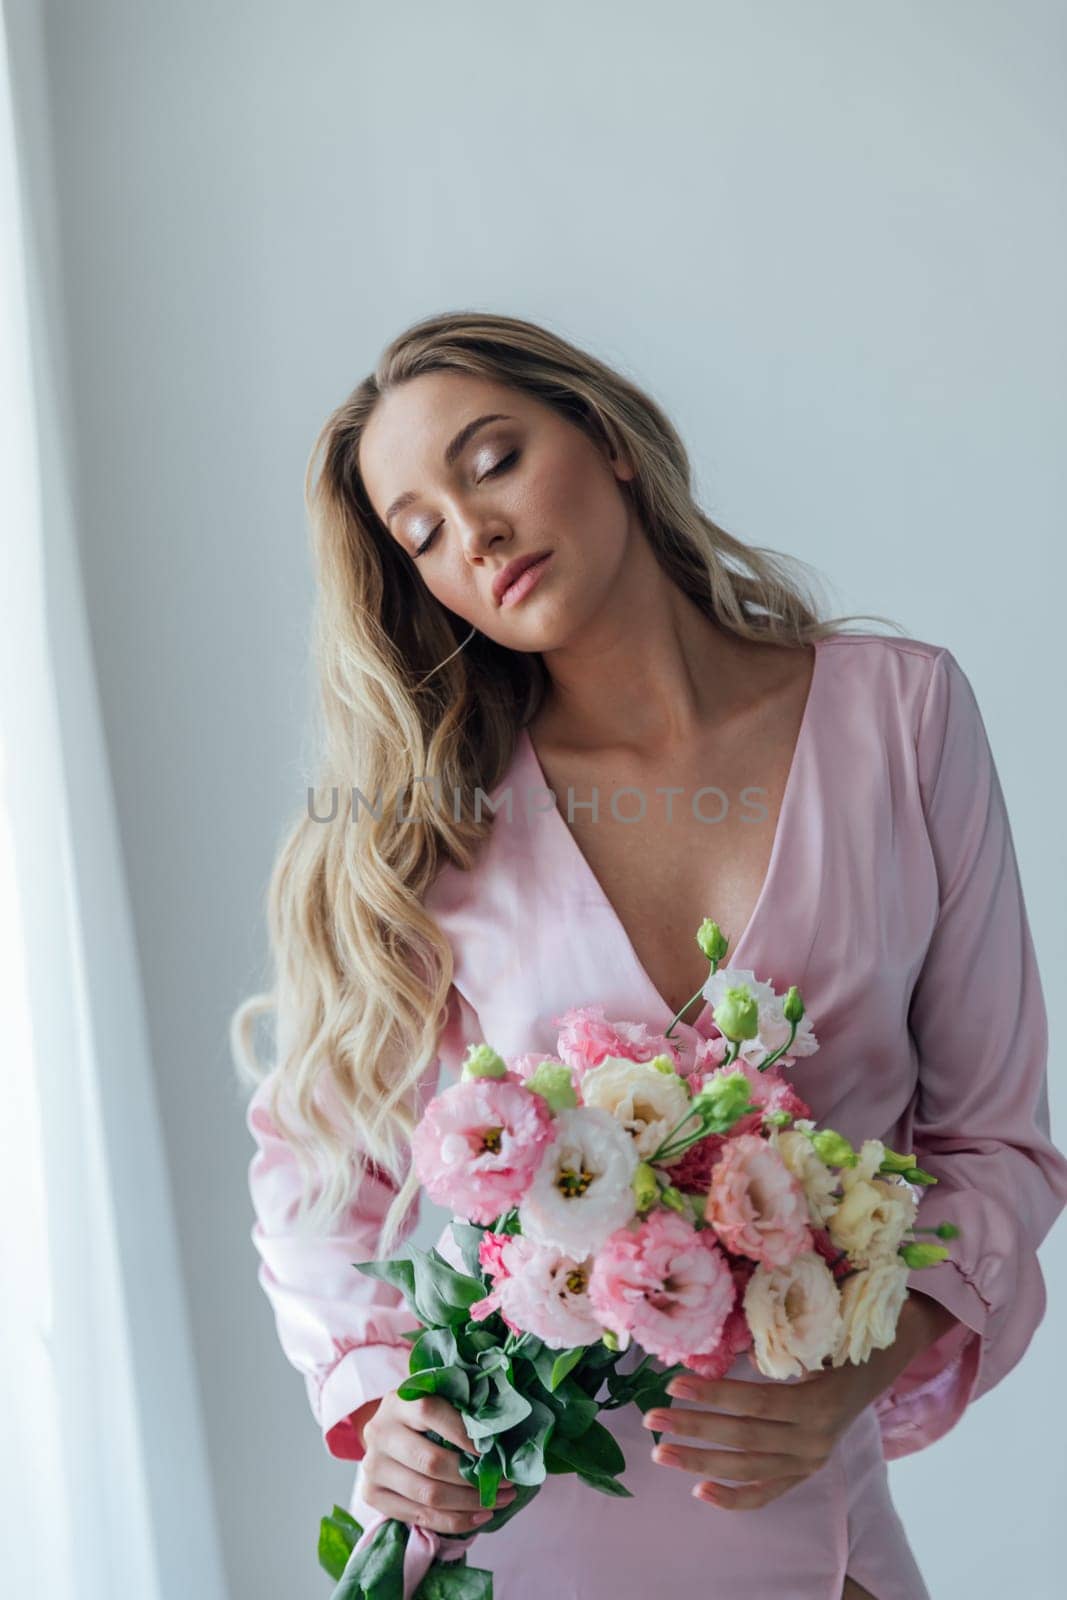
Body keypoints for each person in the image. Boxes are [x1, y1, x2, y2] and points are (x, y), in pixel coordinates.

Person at [234, 311, 1067, 1600]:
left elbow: (996, 1144)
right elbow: (309, 1161)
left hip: (806, 1510)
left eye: (493, 461)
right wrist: (378, 1395)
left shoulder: (900, 715)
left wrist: (864, 1359)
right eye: (423, 533)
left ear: (609, 442)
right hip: (517, 1532)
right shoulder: (434, 827)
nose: (477, 533)